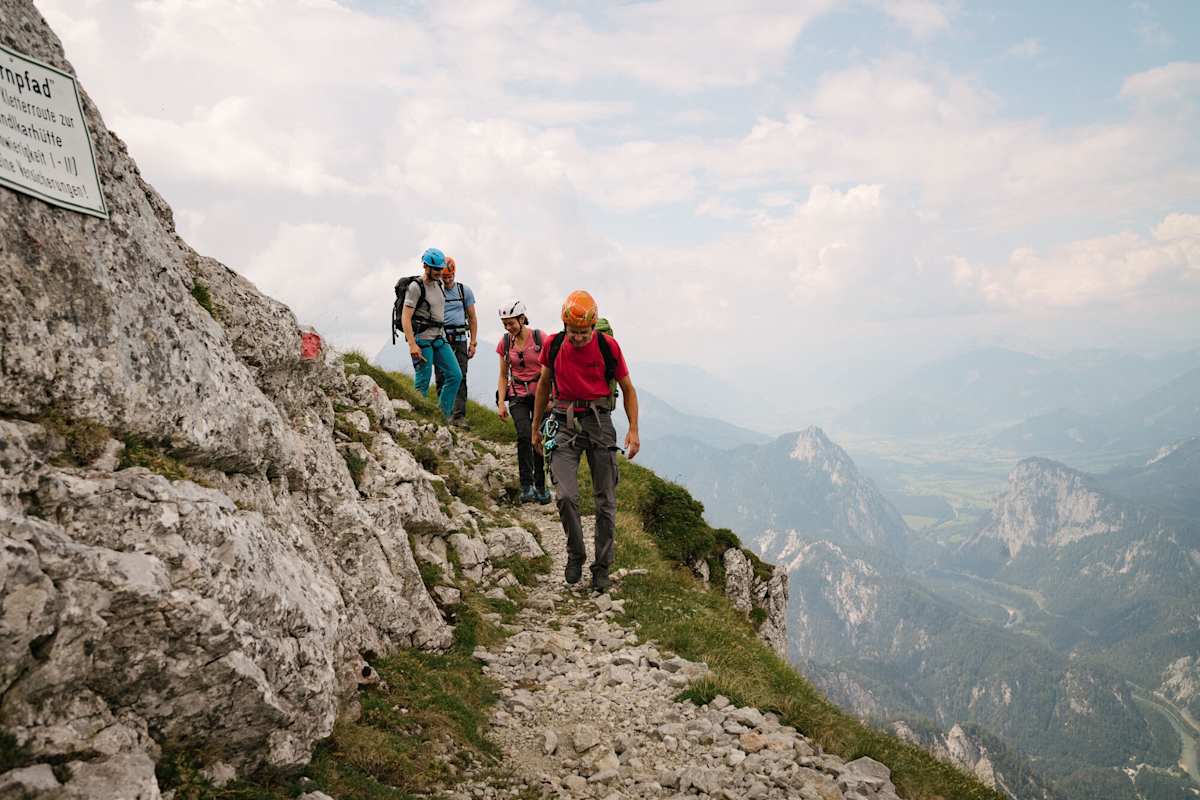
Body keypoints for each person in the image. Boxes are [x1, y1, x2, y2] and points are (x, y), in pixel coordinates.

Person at [532, 290, 640, 592]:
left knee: (605, 500)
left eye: (583, 332)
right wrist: (535, 428)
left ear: (593, 327)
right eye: (573, 332)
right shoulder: (553, 345)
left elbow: (628, 389)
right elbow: (543, 385)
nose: (578, 338)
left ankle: (602, 567)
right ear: (565, 326)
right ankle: (575, 554)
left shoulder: (608, 347)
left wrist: (634, 430)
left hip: (599, 422)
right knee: (565, 495)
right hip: (563, 420)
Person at [496, 300, 551, 505]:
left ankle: (541, 486)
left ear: (521, 319)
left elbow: (551, 370)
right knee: (524, 435)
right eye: (504, 324)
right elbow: (503, 375)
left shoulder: (539, 338)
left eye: (511, 323)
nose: (508, 328)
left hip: (541, 396)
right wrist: (501, 402)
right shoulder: (505, 342)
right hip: (517, 393)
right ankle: (526, 486)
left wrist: (551, 397)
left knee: (537, 437)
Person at [400, 248, 462, 421]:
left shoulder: (440, 283)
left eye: (440, 269)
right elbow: (406, 317)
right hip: (422, 341)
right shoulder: (415, 287)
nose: (439, 272)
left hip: (439, 338)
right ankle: (420, 421)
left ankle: (441, 417)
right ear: (425, 266)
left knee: (455, 375)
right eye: (436, 269)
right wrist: (412, 344)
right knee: (422, 383)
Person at [435, 257, 477, 428]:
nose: (447, 280)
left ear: (454, 273)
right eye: (444, 277)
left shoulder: (464, 291)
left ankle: (459, 416)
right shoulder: (436, 291)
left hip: (460, 340)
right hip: (440, 340)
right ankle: (443, 414)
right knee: (441, 376)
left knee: (461, 376)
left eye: (450, 276)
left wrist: (473, 343)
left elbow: (473, 318)